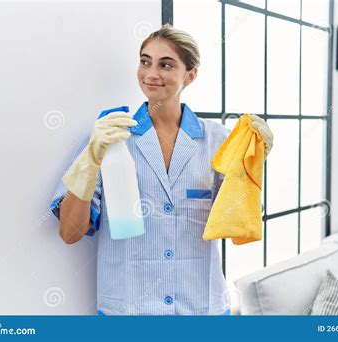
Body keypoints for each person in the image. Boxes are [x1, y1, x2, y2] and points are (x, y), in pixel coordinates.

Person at [49, 24, 273, 316]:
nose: (151, 73)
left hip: (202, 309)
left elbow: (239, 229)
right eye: (145, 61)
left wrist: (252, 164)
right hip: (128, 310)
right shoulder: (110, 135)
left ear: (190, 75)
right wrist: (89, 160)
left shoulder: (218, 141)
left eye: (165, 65)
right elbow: (70, 232)